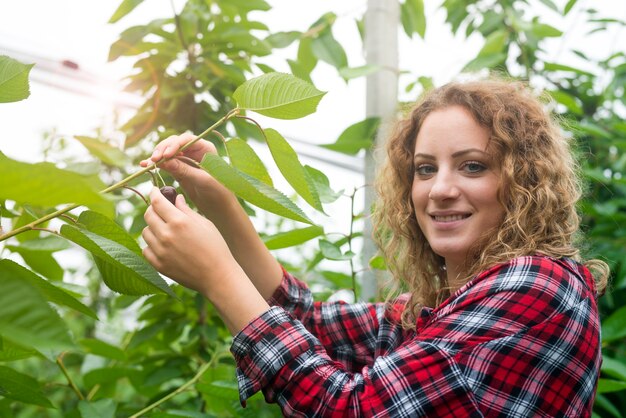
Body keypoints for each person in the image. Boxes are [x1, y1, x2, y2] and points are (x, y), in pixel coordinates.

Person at [140, 79, 608, 417]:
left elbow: (349, 409)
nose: (439, 189)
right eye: (425, 169)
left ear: (523, 181)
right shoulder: (447, 306)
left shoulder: (538, 287)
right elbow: (310, 323)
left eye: (472, 166)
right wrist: (220, 201)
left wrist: (217, 276)